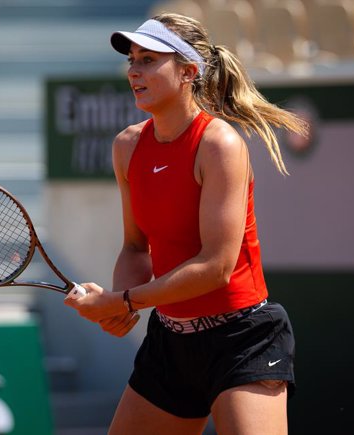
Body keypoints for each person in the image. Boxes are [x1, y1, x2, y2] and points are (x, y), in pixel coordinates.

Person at [64, 12, 307, 435]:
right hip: (170, 342)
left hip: (241, 340)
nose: (134, 71)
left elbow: (216, 267)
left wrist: (126, 301)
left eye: (148, 60)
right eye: (132, 60)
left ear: (187, 72)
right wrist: (122, 303)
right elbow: (136, 247)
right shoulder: (127, 146)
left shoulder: (219, 145)